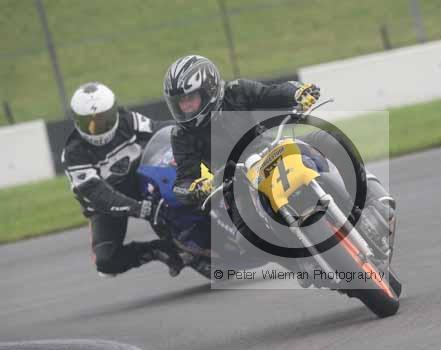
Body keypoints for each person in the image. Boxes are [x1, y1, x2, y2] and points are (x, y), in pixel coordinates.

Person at [163, 55, 395, 252]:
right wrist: (195, 187)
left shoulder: (237, 91)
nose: (185, 107)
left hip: (273, 148)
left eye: (190, 99)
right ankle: (301, 264)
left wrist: (298, 92)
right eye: (180, 103)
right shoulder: (181, 135)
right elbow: (183, 181)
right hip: (236, 181)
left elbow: (274, 93)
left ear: (209, 90)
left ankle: (368, 202)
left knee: (330, 139)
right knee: (246, 239)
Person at [61, 82, 184, 278]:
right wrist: (137, 208)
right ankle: (158, 250)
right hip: (105, 207)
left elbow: (159, 129)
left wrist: (189, 130)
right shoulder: (73, 153)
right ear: (77, 121)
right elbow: (98, 193)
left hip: (140, 179)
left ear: (114, 112)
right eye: (89, 123)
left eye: (104, 119)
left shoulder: (127, 120)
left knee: (177, 185)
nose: (97, 128)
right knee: (106, 263)